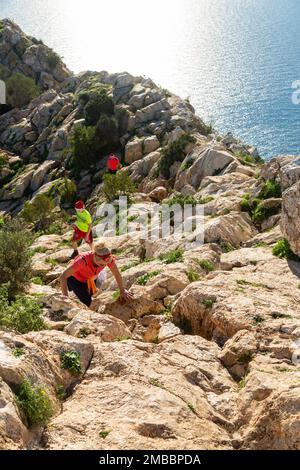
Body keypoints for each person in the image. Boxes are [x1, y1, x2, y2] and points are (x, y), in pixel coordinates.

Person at [60, 243, 133, 309]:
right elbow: (63, 276)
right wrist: (66, 299)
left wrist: (122, 291)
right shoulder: (83, 260)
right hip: (75, 278)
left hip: (89, 277)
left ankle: (81, 293)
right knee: (88, 304)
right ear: (94, 256)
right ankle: (72, 289)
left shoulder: (108, 260)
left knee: (92, 297)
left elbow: (116, 274)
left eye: (105, 264)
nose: (105, 265)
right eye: (102, 265)